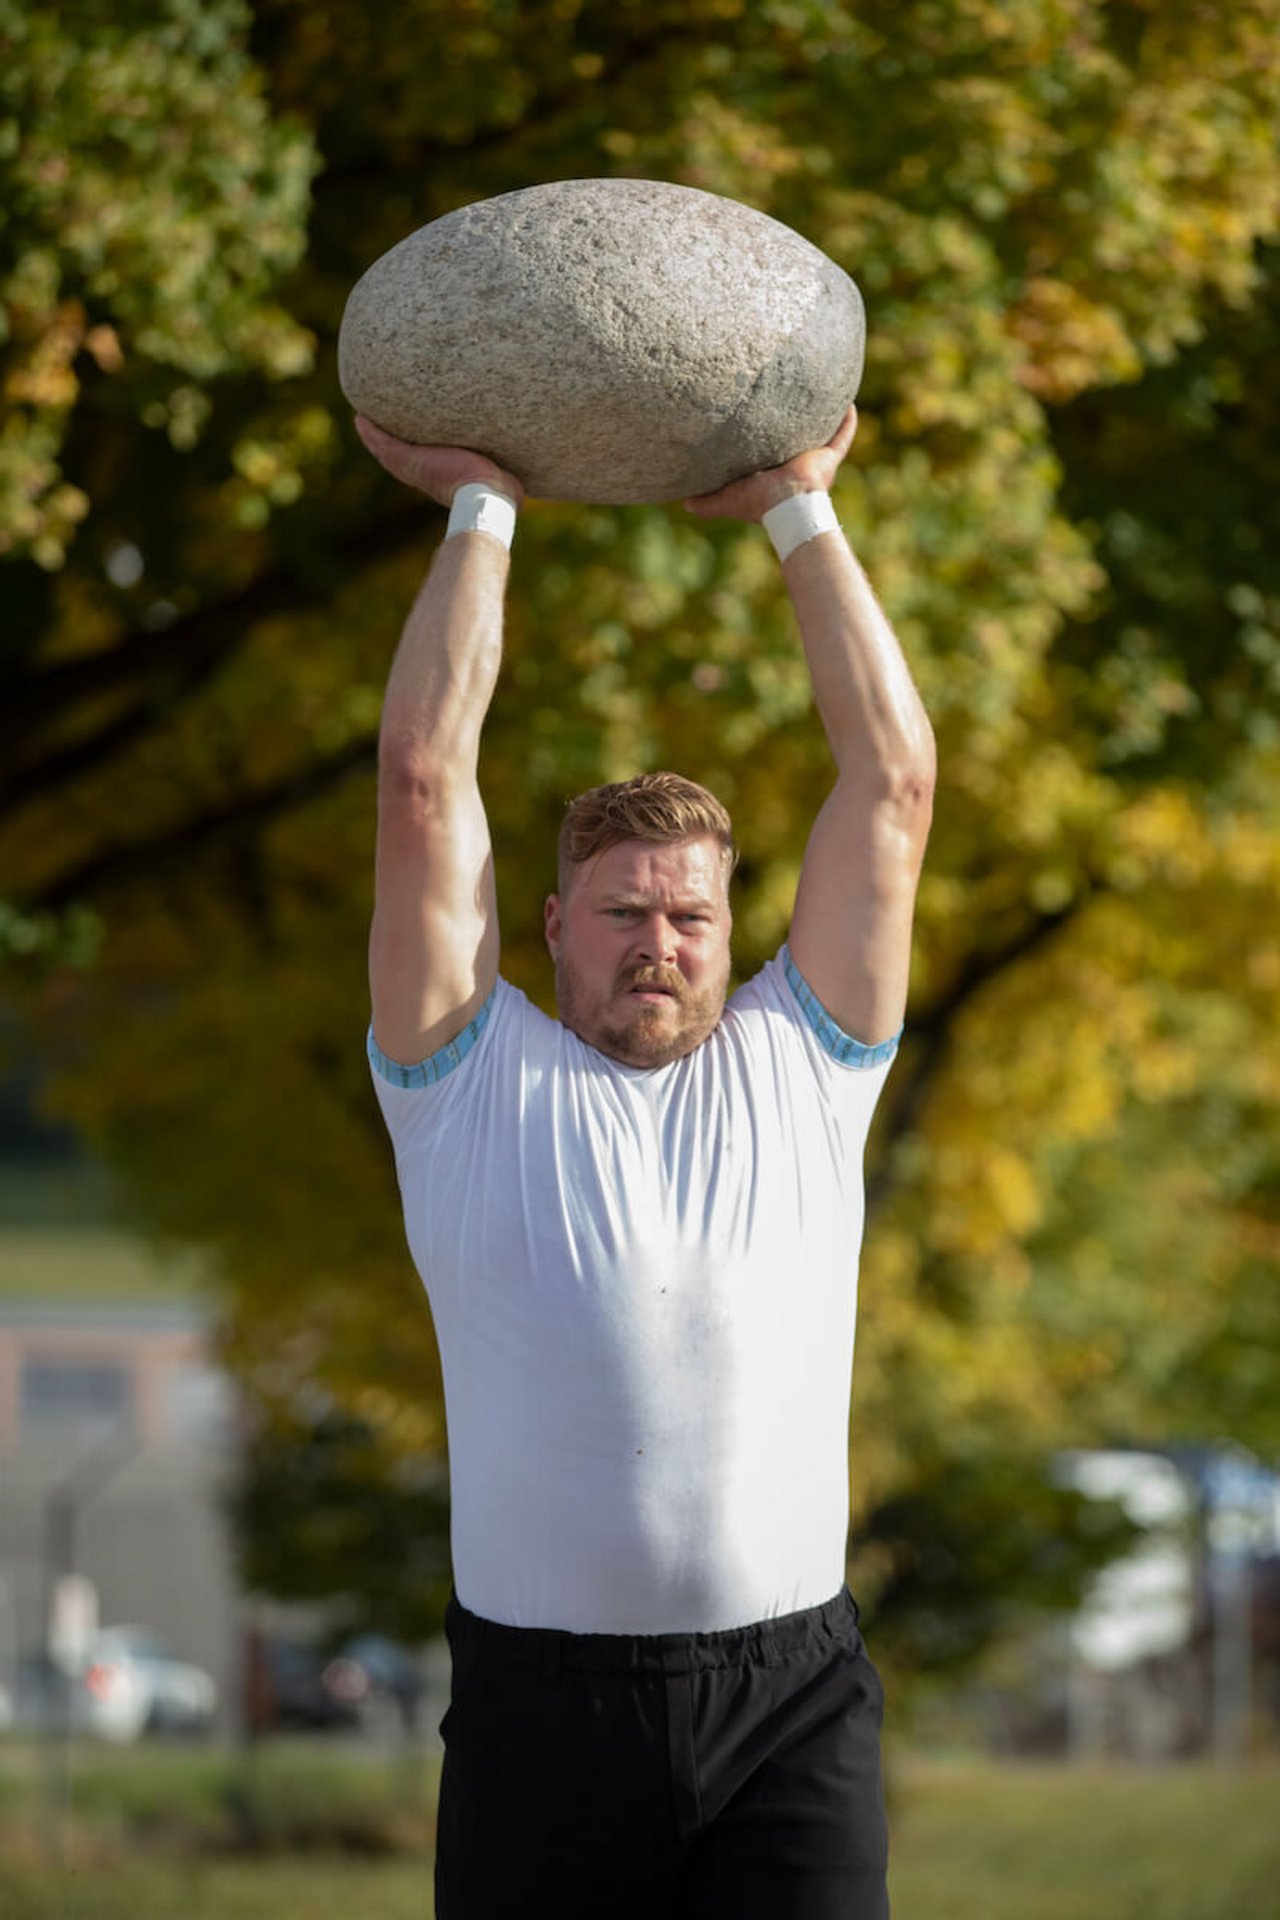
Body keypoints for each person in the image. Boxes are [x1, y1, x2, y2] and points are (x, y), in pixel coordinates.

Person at [357, 401, 935, 1920]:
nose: (660, 946)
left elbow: (891, 786)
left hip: (792, 1706)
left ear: (734, 937)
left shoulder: (806, 1067)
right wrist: (484, 503)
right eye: (621, 914)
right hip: (544, 1717)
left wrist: (802, 510)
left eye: (690, 917)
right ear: (554, 930)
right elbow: (424, 779)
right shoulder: (467, 1079)